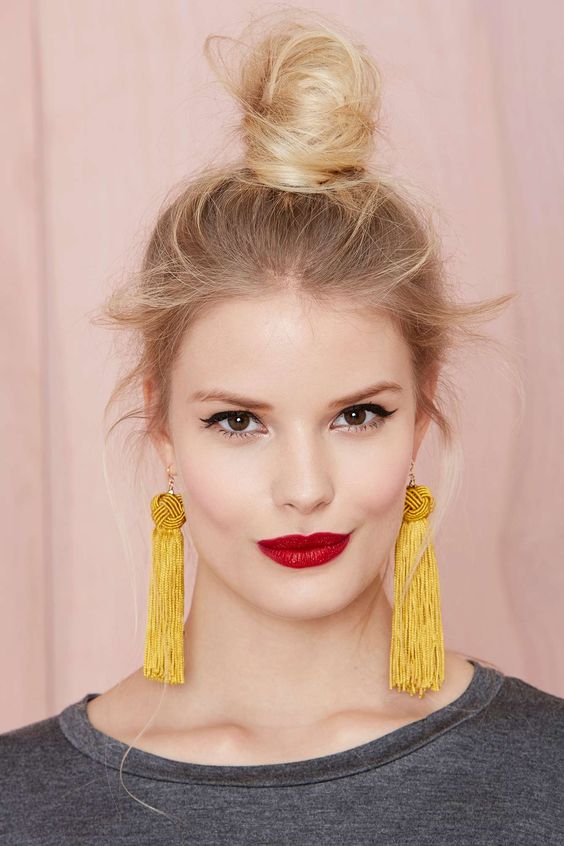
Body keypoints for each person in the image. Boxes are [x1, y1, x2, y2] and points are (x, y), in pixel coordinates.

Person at [1, 9, 563, 844]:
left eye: (358, 415)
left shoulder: (548, 775)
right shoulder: (19, 802)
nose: (305, 488)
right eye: (237, 421)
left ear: (422, 412)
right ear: (161, 425)